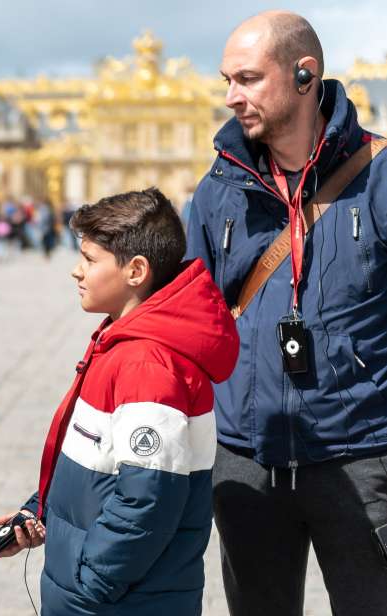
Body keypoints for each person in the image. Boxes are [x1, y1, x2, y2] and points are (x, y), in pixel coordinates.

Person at [186, 12, 387, 615]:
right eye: (227, 79)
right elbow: (190, 317)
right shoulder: (218, 189)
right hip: (246, 458)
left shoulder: (379, 177)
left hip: (362, 456)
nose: (231, 97)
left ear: (306, 75)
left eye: (247, 78)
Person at [0, 188, 239, 615]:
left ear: (136, 270)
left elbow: (149, 499)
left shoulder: (147, 363)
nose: (76, 271)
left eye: (90, 259)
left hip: (123, 600)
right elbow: (100, 465)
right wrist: (41, 509)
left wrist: (91, 584)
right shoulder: (122, 342)